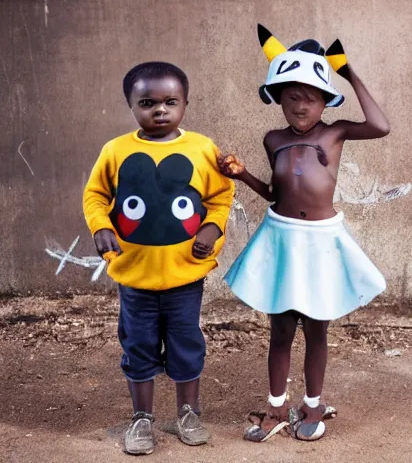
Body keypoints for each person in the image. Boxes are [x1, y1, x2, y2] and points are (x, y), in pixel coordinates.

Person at [219, 25, 389, 442]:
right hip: (282, 238)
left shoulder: (335, 132)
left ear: (325, 101)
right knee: (280, 329)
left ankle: (313, 403)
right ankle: (276, 406)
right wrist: (243, 177)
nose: (301, 105)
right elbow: (276, 192)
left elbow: (381, 125)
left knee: (317, 326)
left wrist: (348, 73)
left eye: (312, 97)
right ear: (278, 98)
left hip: (321, 242)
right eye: (292, 95)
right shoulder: (272, 138)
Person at [83, 61, 234, 455]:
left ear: (185, 103)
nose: (160, 110)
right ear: (131, 105)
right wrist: (100, 226)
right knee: (139, 346)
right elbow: (95, 194)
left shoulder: (202, 148)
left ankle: (188, 412)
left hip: (185, 277)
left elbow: (221, 196)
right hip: (135, 277)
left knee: (186, 343)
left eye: (170, 101)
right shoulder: (116, 151)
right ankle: (142, 419)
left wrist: (212, 228)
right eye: (147, 102)